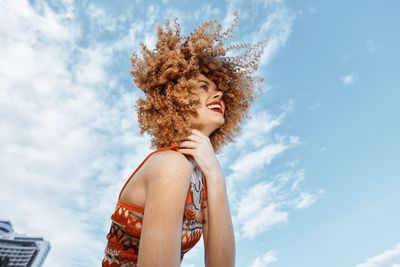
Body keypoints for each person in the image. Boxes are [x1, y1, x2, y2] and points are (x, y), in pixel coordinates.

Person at [102, 11, 266, 267]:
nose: (219, 94)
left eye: (220, 91)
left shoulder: (201, 175)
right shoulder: (170, 164)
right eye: (203, 86)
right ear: (175, 97)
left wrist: (215, 175)